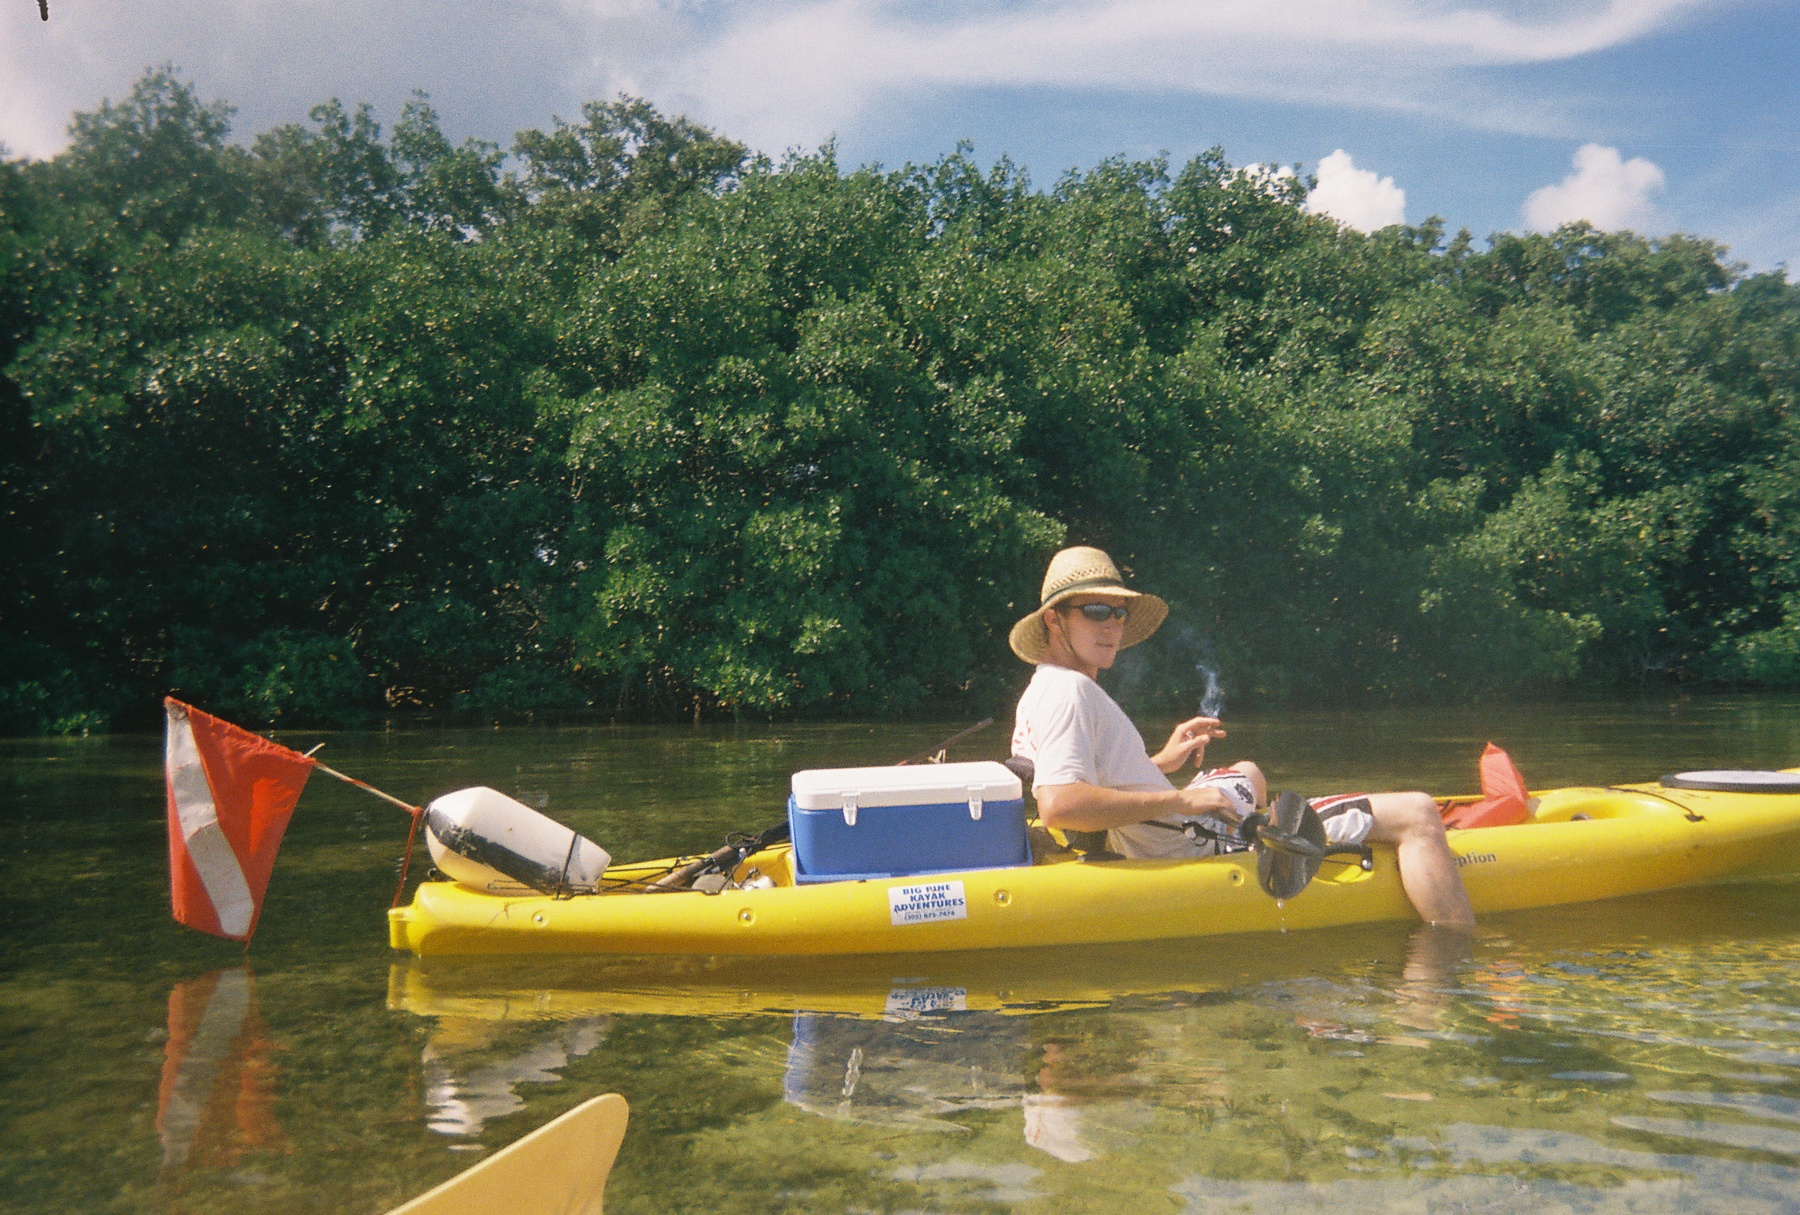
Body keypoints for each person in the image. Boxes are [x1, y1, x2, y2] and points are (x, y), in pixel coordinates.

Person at [1008, 546, 1474, 929]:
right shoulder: (1069, 691)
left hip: (1156, 833)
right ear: (1054, 620)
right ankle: (1450, 971)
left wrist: (1161, 763)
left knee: (1248, 770)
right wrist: (1182, 801)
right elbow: (1061, 805)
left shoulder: (1043, 688)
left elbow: (1083, 777)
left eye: (1119, 612)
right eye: (1095, 610)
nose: (1111, 623)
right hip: (1191, 839)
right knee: (1417, 811)